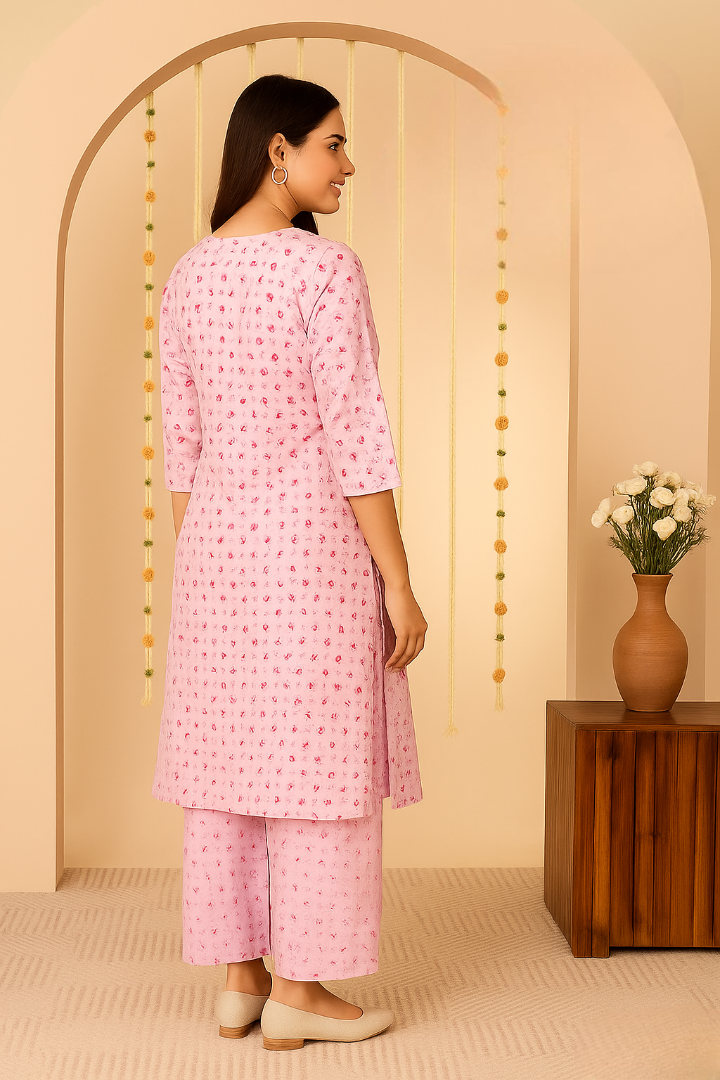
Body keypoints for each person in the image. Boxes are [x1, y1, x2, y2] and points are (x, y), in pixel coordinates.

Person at [151, 73, 427, 1051]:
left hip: (214, 553)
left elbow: (181, 445)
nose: (349, 164)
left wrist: (205, 564)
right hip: (311, 552)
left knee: (230, 761)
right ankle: (301, 990)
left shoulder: (188, 276)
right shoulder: (324, 270)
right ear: (278, 151)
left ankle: (241, 980)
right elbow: (357, 436)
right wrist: (398, 581)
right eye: (333, 144)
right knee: (317, 763)